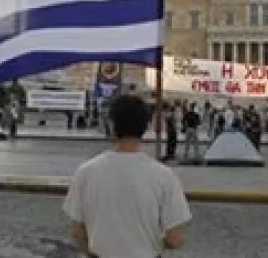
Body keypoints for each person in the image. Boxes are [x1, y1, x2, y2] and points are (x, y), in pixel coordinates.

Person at [63, 95, 191, 257]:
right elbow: (176, 239)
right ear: (146, 126)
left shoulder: (86, 172)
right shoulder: (164, 176)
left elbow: (77, 232)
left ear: (112, 124)